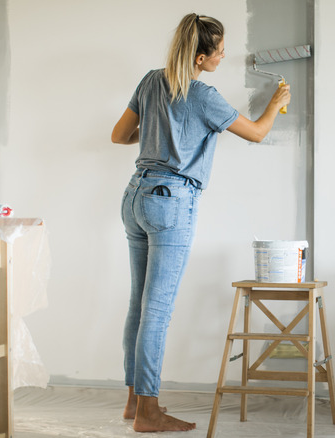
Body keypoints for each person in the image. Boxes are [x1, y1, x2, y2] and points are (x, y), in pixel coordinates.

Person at [111, 13, 290, 432]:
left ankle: (133, 401)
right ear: (200, 55)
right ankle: (149, 413)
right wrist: (275, 105)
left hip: (136, 195)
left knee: (139, 305)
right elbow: (259, 133)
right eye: (220, 50)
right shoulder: (204, 96)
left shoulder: (151, 80)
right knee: (156, 311)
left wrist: (159, 131)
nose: (224, 55)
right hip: (171, 201)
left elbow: (120, 135)